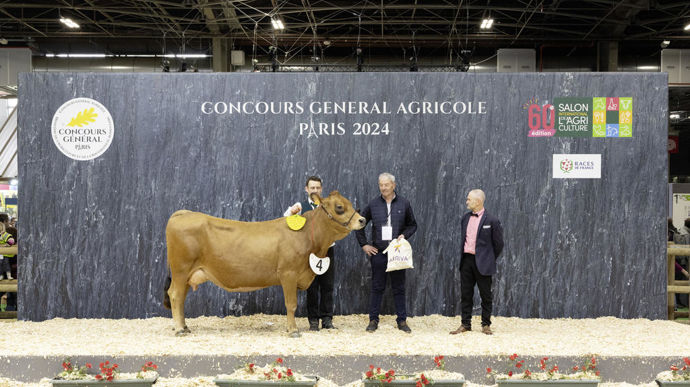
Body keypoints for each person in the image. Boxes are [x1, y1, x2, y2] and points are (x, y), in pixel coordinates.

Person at [356, 172, 417, 333]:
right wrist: (364, 245)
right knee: (377, 286)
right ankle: (373, 320)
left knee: (399, 287)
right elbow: (359, 223)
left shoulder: (404, 203)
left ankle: (402, 321)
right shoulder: (373, 204)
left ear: (393, 185)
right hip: (379, 253)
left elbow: (413, 225)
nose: (383, 188)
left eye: (386, 185)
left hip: (397, 253)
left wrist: (404, 235)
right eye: (381, 185)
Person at [284, 176, 337, 331]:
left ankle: (327, 319)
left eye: (317, 187)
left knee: (327, 286)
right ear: (306, 189)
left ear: (321, 189)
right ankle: (313, 321)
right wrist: (292, 213)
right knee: (312, 287)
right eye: (312, 188)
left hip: (327, 250)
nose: (315, 190)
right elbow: (285, 220)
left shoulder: (329, 205)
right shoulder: (301, 206)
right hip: (309, 253)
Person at [450, 189, 504, 336]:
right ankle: (465, 324)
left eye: (469, 199)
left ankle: (486, 324)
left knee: (485, 295)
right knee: (466, 294)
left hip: (483, 262)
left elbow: (499, 244)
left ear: (478, 201)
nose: (466, 201)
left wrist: (489, 258)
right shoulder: (465, 218)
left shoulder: (492, 220)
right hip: (467, 260)